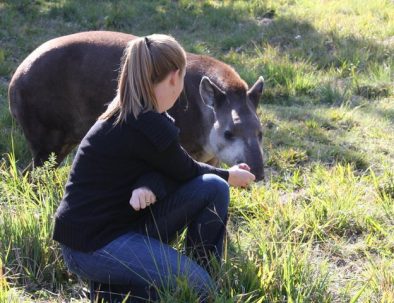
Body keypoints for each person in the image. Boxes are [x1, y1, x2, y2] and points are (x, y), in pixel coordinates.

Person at [53, 34, 255, 302]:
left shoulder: (142, 114)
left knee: (213, 187)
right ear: (174, 77)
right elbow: (185, 171)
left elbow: (167, 168)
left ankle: (197, 276)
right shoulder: (147, 123)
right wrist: (231, 175)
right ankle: (113, 293)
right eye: (182, 78)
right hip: (91, 246)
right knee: (197, 286)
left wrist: (147, 183)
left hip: (120, 226)